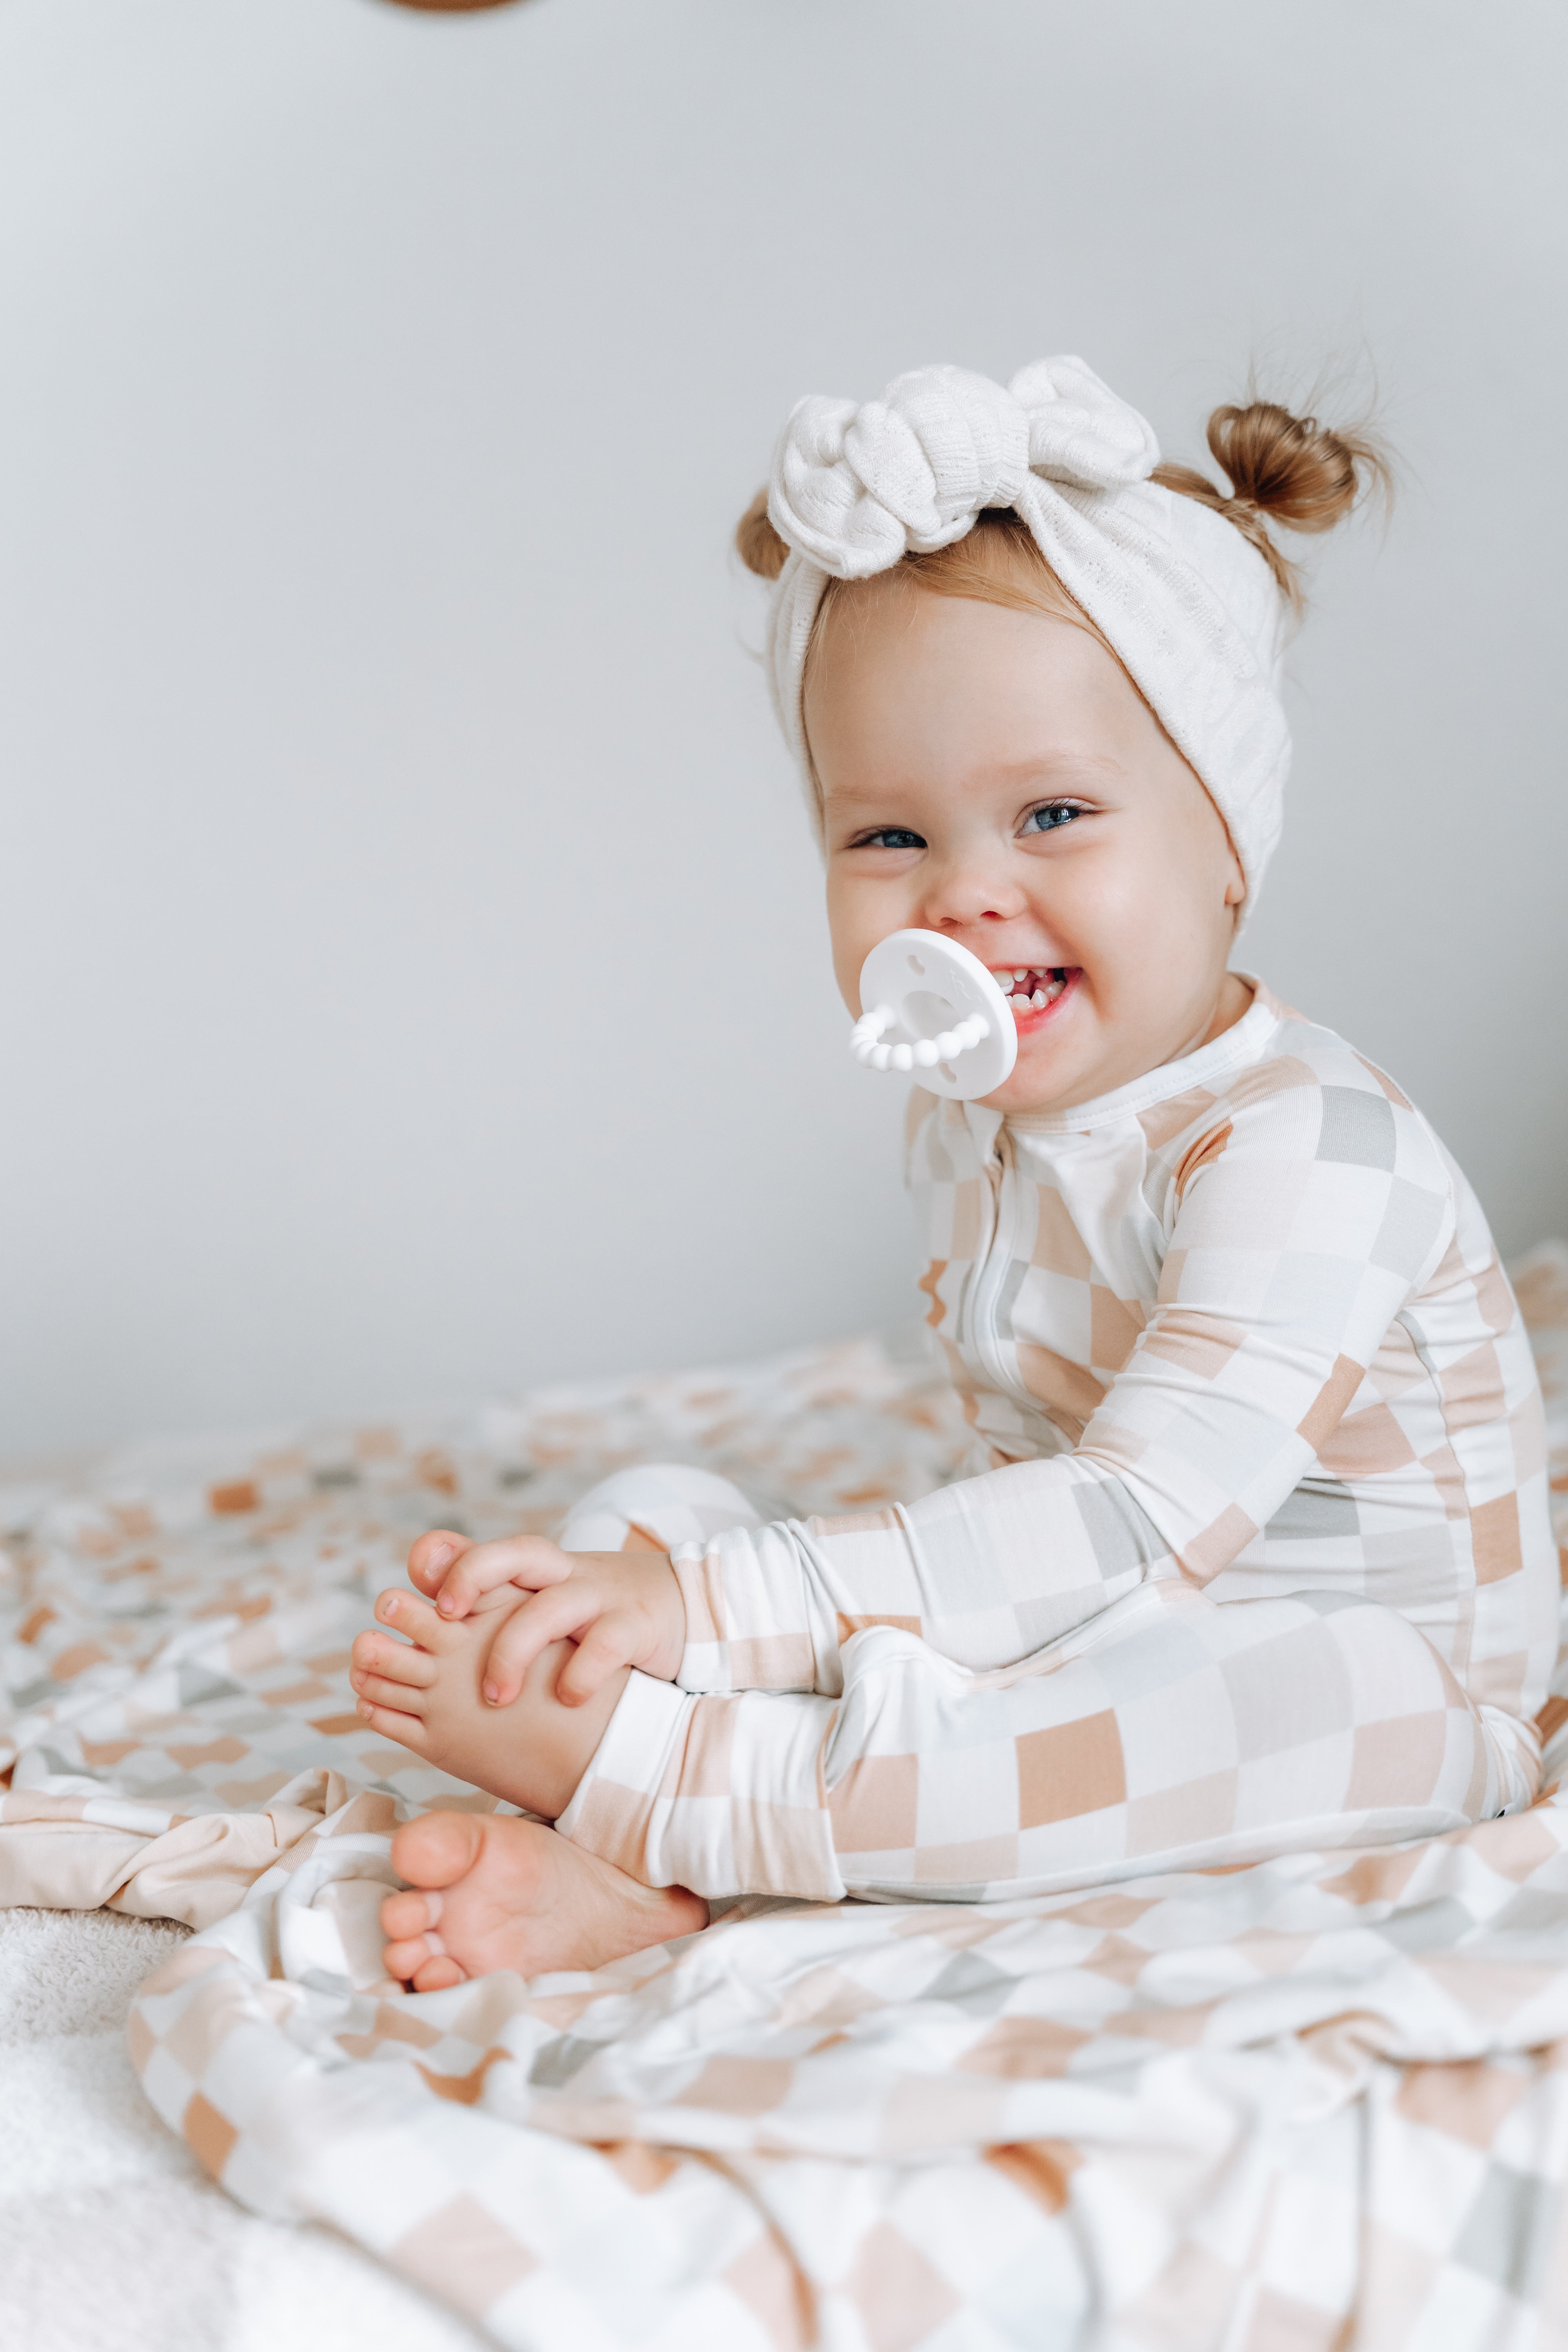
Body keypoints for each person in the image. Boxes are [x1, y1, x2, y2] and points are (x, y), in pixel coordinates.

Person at [348, 357, 1557, 1994]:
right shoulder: (970, 1122)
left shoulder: (1309, 1149)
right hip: (1081, 1612)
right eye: (888, 838)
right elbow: (1012, 1504)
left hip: (1368, 1699)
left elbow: (1135, 1520)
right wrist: (657, 1586)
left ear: (1225, 843)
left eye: (1051, 814)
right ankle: (643, 1844)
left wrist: (714, 1613)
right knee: (651, 1517)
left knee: (1267, 1713)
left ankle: (668, 1788)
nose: (963, 896)